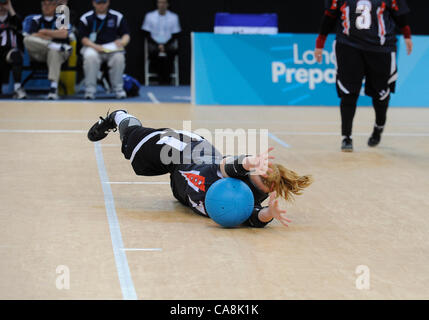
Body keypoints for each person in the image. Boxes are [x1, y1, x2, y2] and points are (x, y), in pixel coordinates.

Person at [87, 110, 313, 228]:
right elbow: (225, 167)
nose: (260, 173)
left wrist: (268, 215)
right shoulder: (240, 170)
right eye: (259, 169)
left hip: (181, 185)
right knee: (132, 148)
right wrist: (247, 161)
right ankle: (118, 117)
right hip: (186, 150)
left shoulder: (252, 196)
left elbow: (252, 217)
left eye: (264, 177)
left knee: (143, 164)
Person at [314, 0, 413, 152]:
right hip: (349, 46)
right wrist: (320, 42)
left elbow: (399, 15)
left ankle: (379, 126)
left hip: (381, 48)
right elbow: (329, 16)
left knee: (380, 94)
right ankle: (346, 137)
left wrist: (407, 35)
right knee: (348, 93)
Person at [78, 0, 130, 100]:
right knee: (90, 56)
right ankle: (90, 90)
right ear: (93, 3)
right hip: (93, 47)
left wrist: (122, 42)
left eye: (103, 2)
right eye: (98, 3)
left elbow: (126, 34)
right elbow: (83, 38)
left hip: (112, 49)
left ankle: (118, 89)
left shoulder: (117, 16)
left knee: (119, 57)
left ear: (108, 3)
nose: (101, 5)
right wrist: (95, 46)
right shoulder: (86, 18)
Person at [23, 0, 72, 100]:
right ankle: (53, 45)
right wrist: (53, 36)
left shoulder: (62, 18)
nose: (46, 7)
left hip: (59, 53)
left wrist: (44, 32)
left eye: (49, 4)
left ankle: (53, 88)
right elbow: (31, 36)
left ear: (55, 6)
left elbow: (64, 34)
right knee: (27, 40)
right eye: (44, 4)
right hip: (40, 53)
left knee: (54, 52)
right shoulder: (34, 19)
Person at [141, 0, 181, 85]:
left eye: (164, 3)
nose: (162, 5)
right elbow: (146, 34)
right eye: (160, 2)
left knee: (171, 52)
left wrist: (164, 46)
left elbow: (175, 35)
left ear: (167, 4)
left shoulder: (174, 17)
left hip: (168, 43)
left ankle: (166, 80)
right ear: (157, 4)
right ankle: (159, 78)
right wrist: (158, 45)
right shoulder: (150, 16)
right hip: (154, 43)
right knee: (153, 52)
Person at [0, 0, 25, 99]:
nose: (2, 6)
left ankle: (17, 88)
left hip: (9, 52)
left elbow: (21, 26)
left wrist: (9, 8)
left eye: (3, 4)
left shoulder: (13, 19)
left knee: (16, 55)